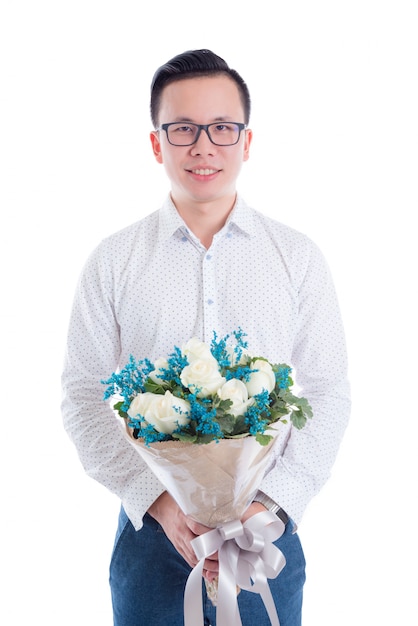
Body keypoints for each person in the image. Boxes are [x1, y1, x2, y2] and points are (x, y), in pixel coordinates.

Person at [61, 49, 350, 626]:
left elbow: (326, 391)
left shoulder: (295, 258)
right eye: (183, 128)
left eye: (221, 128)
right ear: (156, 143)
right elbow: (81, 396)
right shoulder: (114, 260)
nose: (202, 146)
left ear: (246, 141)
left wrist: (271, 507)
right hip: (150, 535)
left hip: (268, 533)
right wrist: (160, 502)